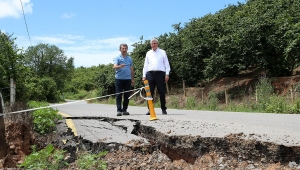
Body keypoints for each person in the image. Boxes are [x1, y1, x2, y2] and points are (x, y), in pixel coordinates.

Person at [142, 38, 171, 115]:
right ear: (150, 44)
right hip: (150, 74)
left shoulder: (162, 52)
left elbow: (167, 64)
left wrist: (167, 74)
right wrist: (144, 75)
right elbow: (145, 65)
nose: (153, 44)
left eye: (154, 43)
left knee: (161, 92)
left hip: (160, 74)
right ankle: (150, 109)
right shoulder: (148, 53)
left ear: (157, 44)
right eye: (152, 43)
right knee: (149, 93)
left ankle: (163, 109)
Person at [113, 43, 134, 116]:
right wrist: (120, 66)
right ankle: (119, 110)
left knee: (127, 95)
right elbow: (114, 67)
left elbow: (131, 69)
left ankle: (124, 109)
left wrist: (132, 79)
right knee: (119, 95)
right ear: (120, 49)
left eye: (125, 48)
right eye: (123, 48)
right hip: (119, 78)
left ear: (127, 49)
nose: (124, 50)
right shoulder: (117, 58)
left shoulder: (130, 59)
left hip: (128, 79)